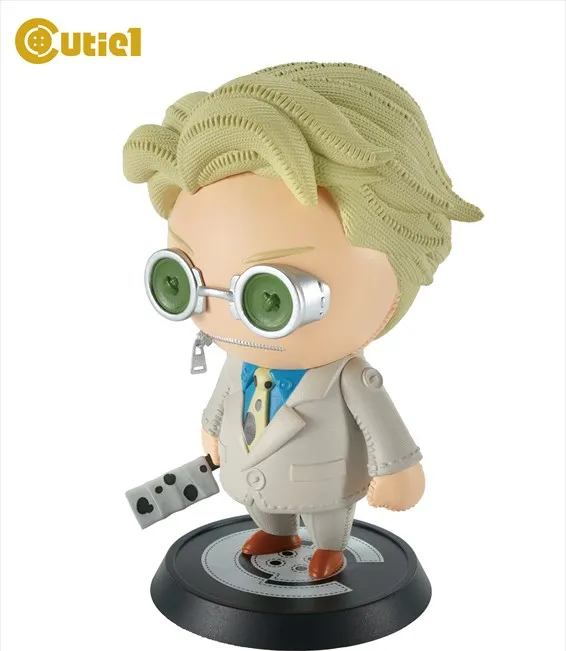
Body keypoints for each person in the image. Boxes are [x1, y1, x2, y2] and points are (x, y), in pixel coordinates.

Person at [124, 61, 482, 579]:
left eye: (270, 296)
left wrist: (396, 469)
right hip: (252, 471)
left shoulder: (349, 378)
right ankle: (275, 530)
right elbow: (224, 396)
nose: (217, 309)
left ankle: (330, 545)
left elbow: (381, 424)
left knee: (327, 514)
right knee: (263, 505)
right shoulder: (238, 362)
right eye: (179, 281)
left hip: (323, 482)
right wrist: (210, 428)